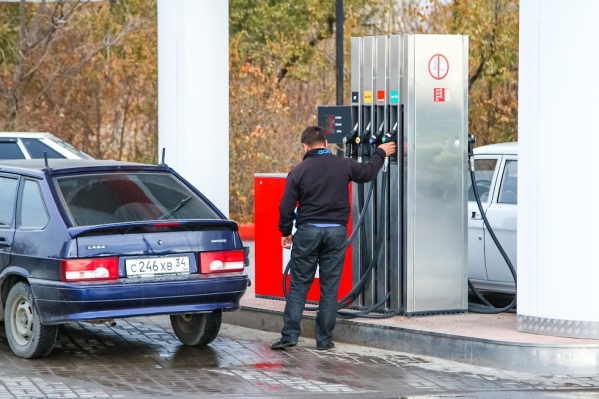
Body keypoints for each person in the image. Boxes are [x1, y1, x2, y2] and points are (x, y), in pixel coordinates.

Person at [272, 125, 396, 351]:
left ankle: (290, 336)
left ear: (304, 146)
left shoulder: (298, 171)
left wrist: (285, 231)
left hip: (308, 232)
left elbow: (286, 207)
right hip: (336, 233)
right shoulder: (344, 164)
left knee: (299, 286)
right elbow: (368, 173)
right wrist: (380, 152)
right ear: (326, 144)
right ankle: (324, 340)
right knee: (329, 288)